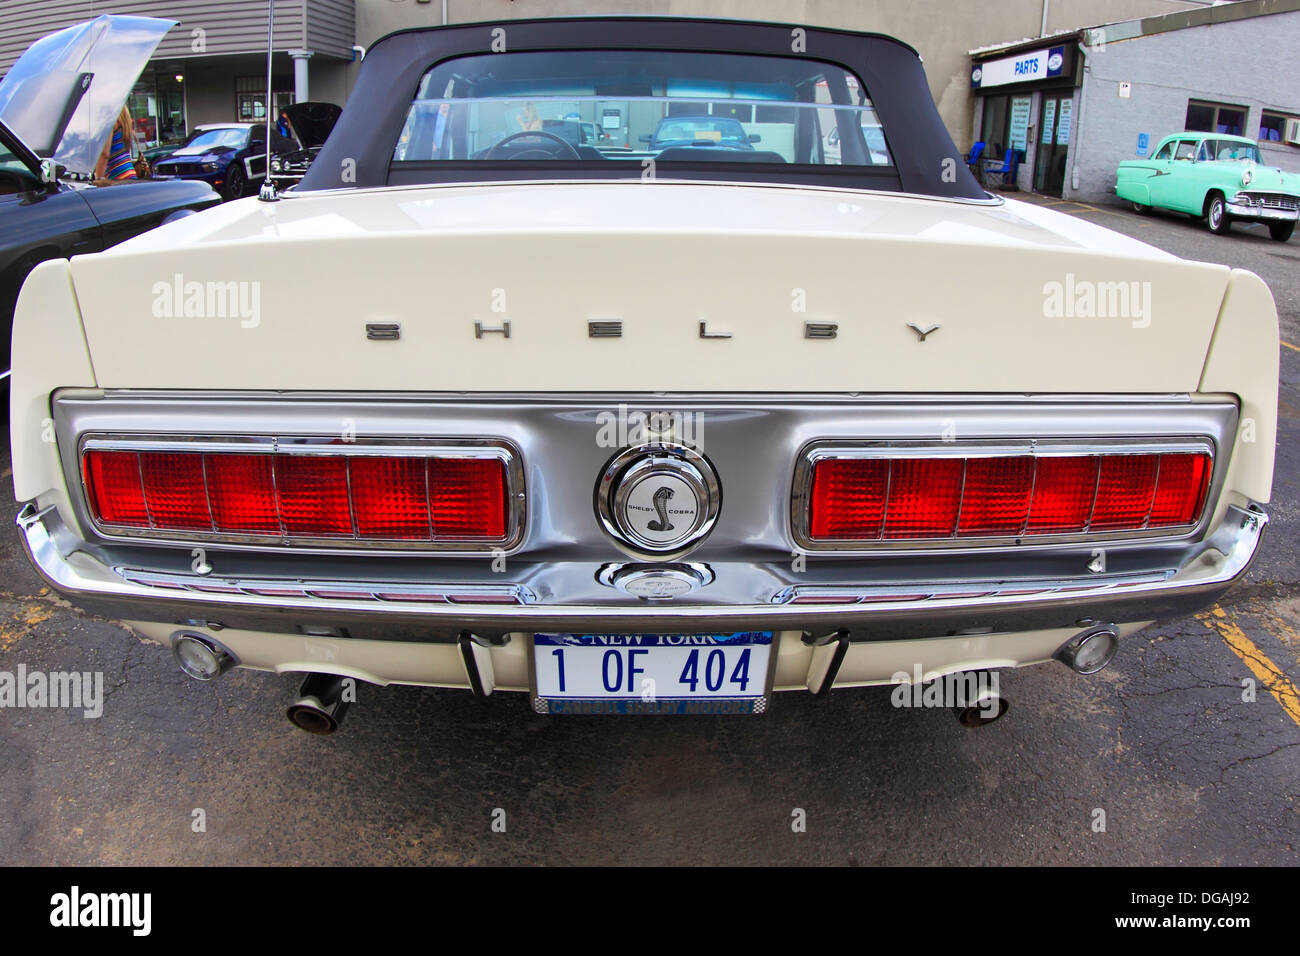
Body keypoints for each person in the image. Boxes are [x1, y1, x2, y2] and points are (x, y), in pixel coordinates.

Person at [94, 107, 145, 183]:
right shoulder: (125, 122)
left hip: (116, 176)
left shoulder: (109, 122)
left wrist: (98, 179)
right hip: (129, 173)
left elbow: (104, 154)